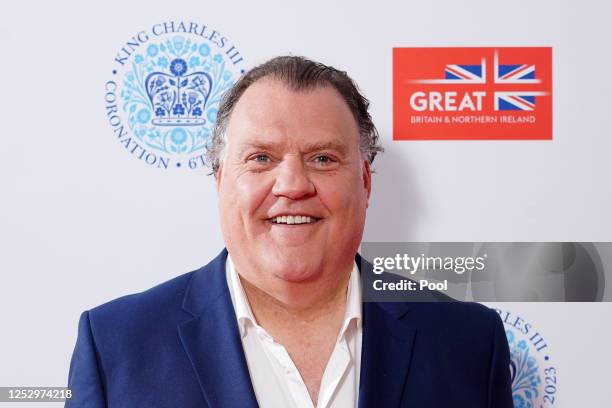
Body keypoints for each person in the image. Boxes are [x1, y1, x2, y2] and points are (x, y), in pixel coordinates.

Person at [66, 56, 513, 408]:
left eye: (322, 158)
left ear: (366, 182)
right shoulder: (116, 347)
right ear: (221, 181)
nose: (293, 185)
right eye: (261, 158)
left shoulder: (468, 343)